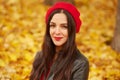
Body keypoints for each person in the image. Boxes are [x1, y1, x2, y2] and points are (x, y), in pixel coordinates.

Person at [30, 2, 89, 80]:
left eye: (64, 27)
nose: (57, 32)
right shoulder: (40, 56)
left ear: (72, 30)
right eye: (53, 25)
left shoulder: (80, 63)